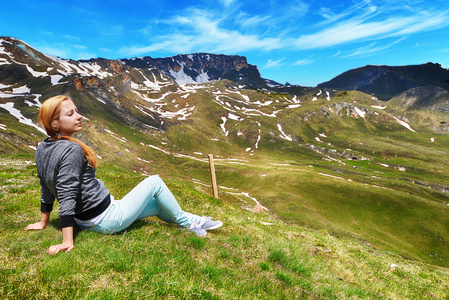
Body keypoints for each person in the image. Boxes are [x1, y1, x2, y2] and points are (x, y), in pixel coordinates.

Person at [24, 95, 222, 255]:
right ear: (55, 123)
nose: (79, 116)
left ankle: (197, 221)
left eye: (77, 111)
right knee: (155, 182)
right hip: (107, 218)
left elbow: (46, 187)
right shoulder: (71, 150)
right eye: (71, 113)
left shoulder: (42, 147)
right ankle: (188, 224)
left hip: (92, 218)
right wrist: (67, 241)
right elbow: (66, 193)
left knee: (156, 205)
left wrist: (44, 222)